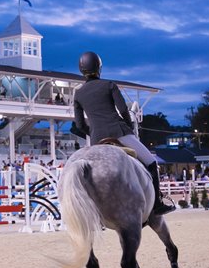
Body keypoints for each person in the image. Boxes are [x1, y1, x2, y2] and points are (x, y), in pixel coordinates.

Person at [72, 51, 174, 216]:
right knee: (151, 163)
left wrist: (92, 133)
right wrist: (128, 127)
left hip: (97, 139)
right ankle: (157, 204)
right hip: (118, 132)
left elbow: (79, 124)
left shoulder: (79, 93)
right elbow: (123, 110)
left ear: (81, 70)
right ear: (99, 68)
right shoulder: (109, 85)